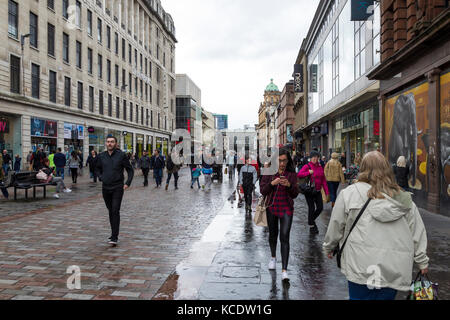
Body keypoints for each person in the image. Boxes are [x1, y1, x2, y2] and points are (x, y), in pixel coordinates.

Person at [323, 151, 429, 300]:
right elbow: (417, 232)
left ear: (362, 168)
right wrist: (422, 261)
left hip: (359, 265)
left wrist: (329, 246)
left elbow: (336, 225)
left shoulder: (349, 194)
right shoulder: (403, 199)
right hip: (392, 269)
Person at [260, 149, 300, 282]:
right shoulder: (268, 171)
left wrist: (289, 185)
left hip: (286, 208)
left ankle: (284, 270)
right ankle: (272, 257)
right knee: (273, 235)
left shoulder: (291, 174)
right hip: (272, 207)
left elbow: (295, 194)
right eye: (280, 160)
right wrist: (273, 183)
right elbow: (262, 190)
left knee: (285, 237)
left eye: (285, 161)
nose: (282, 163)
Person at [96, 135, 134, 246]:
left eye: (112, 142)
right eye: (108, 142)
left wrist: (127, 183)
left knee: (115, 210)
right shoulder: (101, 156)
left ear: (116, 143)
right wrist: (101, 177)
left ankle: (114, 236)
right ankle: (113, 234)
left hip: (118, 187)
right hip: (106, 187)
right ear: (106, 143)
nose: (110, 144)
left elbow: (130, 170)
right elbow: (96, 168)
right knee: (110, 210)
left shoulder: (121, 155)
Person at [298, 150, 329, 234]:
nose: (315, 158)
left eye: (316, 157)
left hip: (318, 191)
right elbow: (299, 174)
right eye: (313, 157)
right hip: (309, 191)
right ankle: (312, 226)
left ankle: (311, 221)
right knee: (311, 208)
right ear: (310, 158)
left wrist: (327, 192)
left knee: (320, 208)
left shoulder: (320, 167)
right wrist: (308, 172)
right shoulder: (307, 166)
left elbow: (323, 181)